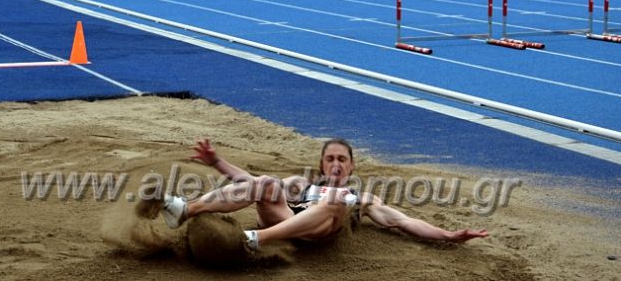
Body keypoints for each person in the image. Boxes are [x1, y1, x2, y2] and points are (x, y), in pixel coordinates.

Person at [138, 138, 488, 250]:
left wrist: (449, 235)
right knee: (268, 182)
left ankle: (254, 239)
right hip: (287, 221)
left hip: (319, 232)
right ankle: (183, 209)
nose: (336, 164)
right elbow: (249, 182)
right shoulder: (302, 184)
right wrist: (218, 163)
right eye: (330, 159)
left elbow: (403, 221)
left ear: (351, 167)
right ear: (322, 165)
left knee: (338, 202)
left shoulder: (362, 199)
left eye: (342, 160)